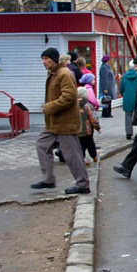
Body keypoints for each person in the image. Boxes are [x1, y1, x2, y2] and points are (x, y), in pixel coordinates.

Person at [32, 47, 90, 194]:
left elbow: (69, 97)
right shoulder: (53, 73)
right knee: (42, 145)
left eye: (46, 59)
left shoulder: (64, 74)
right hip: (53, 122)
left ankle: (82, 184)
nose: (44, 62)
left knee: (72, 154)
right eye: (43, 59)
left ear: (55, 59)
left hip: (65, 122)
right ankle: (48, 179)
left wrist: (49, 107)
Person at [76, 86, 100, 165]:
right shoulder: (88, 106)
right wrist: (97, 127)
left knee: (80, 146)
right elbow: (93, 118)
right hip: (88, 131)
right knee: (90, 144)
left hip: (77, 131)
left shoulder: (73, 106)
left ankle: (83, 158)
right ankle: (94, 156)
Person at [119, 60, 137, 140]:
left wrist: (124, 94)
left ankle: (128, 132)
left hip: (127, 97)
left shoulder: (124, 76)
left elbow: (121, 88)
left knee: (128, 115)